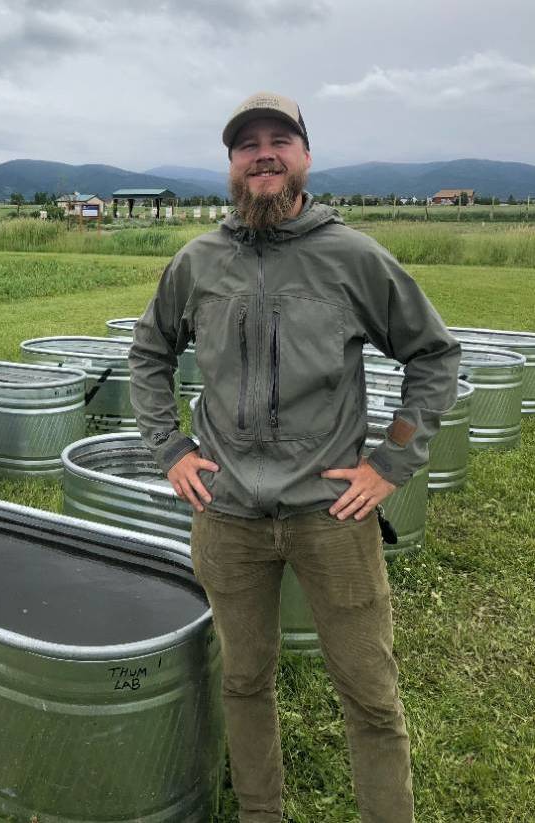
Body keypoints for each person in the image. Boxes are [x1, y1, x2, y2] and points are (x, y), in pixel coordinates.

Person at [128, 92, 460, 823]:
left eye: (281, 138)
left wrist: (389, 462)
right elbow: (149, 354)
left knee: (369, 694)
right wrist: (171, 447)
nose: (264, 152)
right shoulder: (198, 261)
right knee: (244, 681)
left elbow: (434, 356)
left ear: (306, 157)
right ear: (232, 166)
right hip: (228, 516)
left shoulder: (351, 256)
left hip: (332, 516)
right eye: (248, 144)